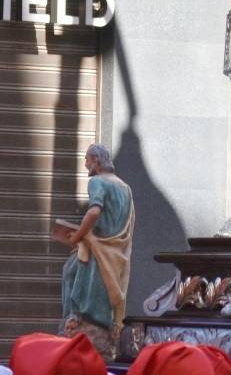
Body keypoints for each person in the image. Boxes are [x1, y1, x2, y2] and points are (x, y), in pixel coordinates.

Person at [57, 143, 134, 360]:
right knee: (100, 293)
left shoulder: (98, 182)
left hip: (98, 249)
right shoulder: (125, 188)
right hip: (116, 253)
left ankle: (73, 320)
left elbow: (93, 212)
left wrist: (79, 235)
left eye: (87, 160)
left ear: (96, 162)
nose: (85, 165)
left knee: (70, 272)